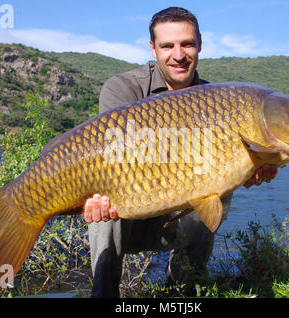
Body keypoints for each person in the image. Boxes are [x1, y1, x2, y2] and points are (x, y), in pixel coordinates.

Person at [83, 7, 278, 298]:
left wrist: (252, 166)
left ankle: (179, 292)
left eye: (187, 44)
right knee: (105, 203)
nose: (178, 54)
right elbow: (116, 160)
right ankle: (105, 294)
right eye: (167, 46)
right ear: (153, 48)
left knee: (217, 192)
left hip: (175, 222)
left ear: (199, 43)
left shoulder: (218, 100)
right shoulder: (123, 88)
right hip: (128, 214)